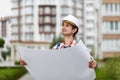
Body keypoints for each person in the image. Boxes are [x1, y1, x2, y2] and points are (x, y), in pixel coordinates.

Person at [20, 15, 98, 69]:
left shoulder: (80, 48)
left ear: (74, 30)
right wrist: (28, 63)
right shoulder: (56, 47)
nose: (63, 27)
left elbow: (93, 63)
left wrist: (94, 65)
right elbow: (46, 62)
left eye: (67, 25)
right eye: (63, 25)